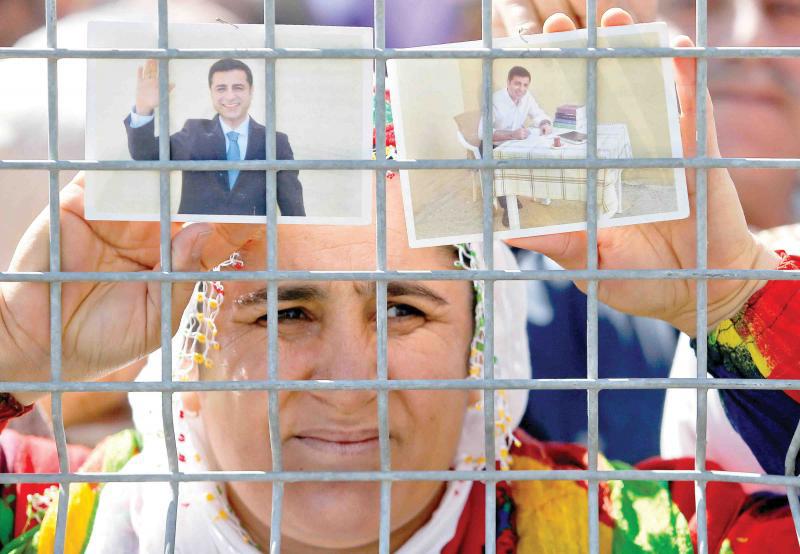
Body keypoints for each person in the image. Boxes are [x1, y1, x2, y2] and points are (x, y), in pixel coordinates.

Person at [0, 9, 799, 552]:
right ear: (189, 360)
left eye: (406, 309)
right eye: (284, 312)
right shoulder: (49, 523)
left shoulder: (634, 534)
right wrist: (13, 350)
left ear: (478, 355)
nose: (350, 381)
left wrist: (735, 295)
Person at [124, 58, 306, 217]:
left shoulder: (276, 142)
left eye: (238, 87)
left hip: (254, 247)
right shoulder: (194, 132)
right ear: (211, 92)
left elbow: (293, 210)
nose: (230, 96)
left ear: (251, 90)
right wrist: (143, 107)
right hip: (198, 247)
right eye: (221, 88)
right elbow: (144, 153)